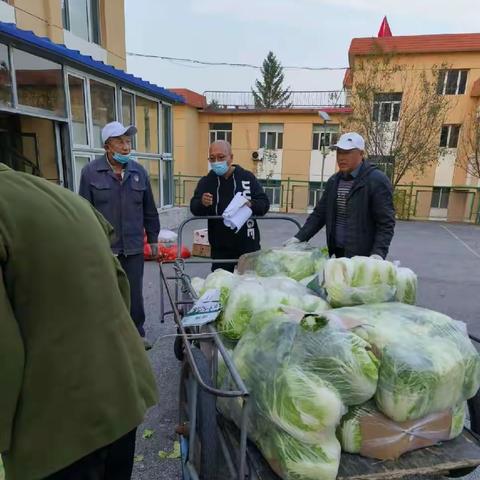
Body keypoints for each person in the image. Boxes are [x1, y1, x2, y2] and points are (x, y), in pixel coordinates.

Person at [0, 164, 157, 480]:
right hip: (121, 399)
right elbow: (120, 288)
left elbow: (5, 353)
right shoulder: (61, 197)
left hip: (55, 437)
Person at [79, 121, 160, 347]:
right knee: (106, 291)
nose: (126, 147)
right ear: (107, 146)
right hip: (105, 247)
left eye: (128, 142)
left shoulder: (138, 172)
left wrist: (153, 239)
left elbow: (149, 209)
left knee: (134, 292)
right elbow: (84, 211)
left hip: (133, 246)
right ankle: (108, 336)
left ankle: (136, 333)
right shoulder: (90, 173)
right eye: (120, 142)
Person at [285, 132, 395, 259]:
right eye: (339, 152)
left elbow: (385, 223)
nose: (341, 157)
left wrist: (378, 253)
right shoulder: (334, 181)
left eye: (347, 152)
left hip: (365, 257)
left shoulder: (376, 180)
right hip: (338, 253)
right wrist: (299, 238)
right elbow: (320, 214)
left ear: (361, 153)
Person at [190, 140, 270, 271]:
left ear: (231, 157)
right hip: (220, 249)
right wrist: (202, 203)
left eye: (221, 157)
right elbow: (194, 207)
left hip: (248, 247)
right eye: (212, 158)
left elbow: (264, 204)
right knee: (222, 286)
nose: (216, 162)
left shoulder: (247, 178)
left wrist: (251, 204)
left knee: (249, 287)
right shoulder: (206, 182)